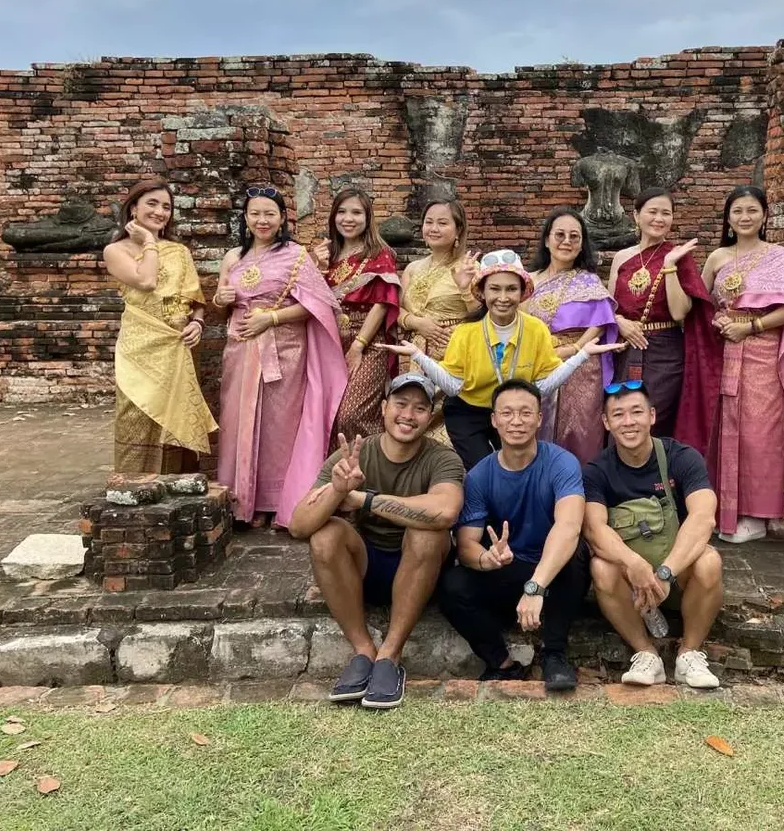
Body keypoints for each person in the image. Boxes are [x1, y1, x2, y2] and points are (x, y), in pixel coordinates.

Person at [288, 374, 465, 709]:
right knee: (325, 536)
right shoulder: (355, 454)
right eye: (400, 404)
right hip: (366, 566)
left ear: (430, 417)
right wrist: (339, 490)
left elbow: (445, 512)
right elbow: (299, 525)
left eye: (420, 408)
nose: (408, 415)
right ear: (384, 408)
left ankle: (390, 654)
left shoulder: (442, 458)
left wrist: (361, 499)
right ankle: (364, 649)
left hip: (419, 570)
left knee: (427, 535)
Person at [379, 250, 623, 469]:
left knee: (519, 466)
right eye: (495, 289)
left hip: (512, 411)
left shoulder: (536, 330)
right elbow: (453, 386)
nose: (503, 297)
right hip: (469, 411)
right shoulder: (466, 333)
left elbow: (541, 387)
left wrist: (582, 355)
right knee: (483, 468)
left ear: (521, 293)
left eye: (511, 289)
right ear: (483, 293)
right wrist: (418, 356)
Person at [437, 379, 589, 692]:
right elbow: (465, 544)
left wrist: (536, 586)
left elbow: (569, 525)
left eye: (525, 413)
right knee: (452, 585)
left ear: (539, 418)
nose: (516, 421)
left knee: (575, 556)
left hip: (552, 570)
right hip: (508, 567)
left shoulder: (561, 463)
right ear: (494, 419)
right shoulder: (480, 475)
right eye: (507, 413)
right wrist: (485, 558)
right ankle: (501, 663)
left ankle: (554, 654)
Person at [214, 187, 349, 529]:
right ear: (245, 218)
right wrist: (220, 299)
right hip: (241, 350)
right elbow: (221, 304)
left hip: (284, 351)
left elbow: (318, 305)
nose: (262, 220)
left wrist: (270, 318)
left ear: (282, 218)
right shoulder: (233, 258)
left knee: (279, 426)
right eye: (255, 213)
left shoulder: (295, 256)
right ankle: (241, 500)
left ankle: (276, 503)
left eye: (269, 214)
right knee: (238, 423)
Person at [582, 381, 723, 688]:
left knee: (709, 561)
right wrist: (634, 564)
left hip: (678, 575)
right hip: (631, 588)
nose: (628, 422)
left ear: (652, 416)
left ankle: (690, 654)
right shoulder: (596, 470)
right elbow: (594, 529)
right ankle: (646, 654)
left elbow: (703, 517)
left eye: (636, 412)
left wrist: (665, 571)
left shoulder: (682, 457)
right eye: (618, 415)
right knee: (601, 567)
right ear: (606, 422)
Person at [700, 186, 784, 544]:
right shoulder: (717, 257)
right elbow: (701, 307)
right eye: (737, 211)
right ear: (728, 218)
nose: (744, 217)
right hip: (724, 350)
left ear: (764, 215)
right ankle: (724, 510)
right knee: (723, 428)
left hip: (761, 351)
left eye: (751, 210)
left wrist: (751, 326)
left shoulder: (776, 256)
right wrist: (718, 321)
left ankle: (757, 513)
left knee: (759, 431)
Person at [102, 179, 216, 472]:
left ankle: (178, 487)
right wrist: (150, 243)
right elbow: (146, 281)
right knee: (136, 412)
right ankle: (133, 482)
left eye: (166, 206)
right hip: (140, 345)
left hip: (179, 342)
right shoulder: (116, 251)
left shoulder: (179, 251)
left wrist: (198, 323)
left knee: (177, 411)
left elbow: (196, 299)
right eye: (151, 203)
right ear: (134, 208)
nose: (160, 212)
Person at [608, 187, 720, 451]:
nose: (659, 219)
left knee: (654, 420)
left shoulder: (678, 256)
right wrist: (619, 322)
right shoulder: (621, 258)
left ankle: (658, 483)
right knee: (623, 418)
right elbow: (609, 306)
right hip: (625, 349)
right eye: (652, 212)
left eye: (666, 213)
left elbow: (680, 312)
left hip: (665, 352)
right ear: (636, 216)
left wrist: (670, 265)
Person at [523, 207, 618, 464]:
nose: (566, 241)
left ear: (581, 244)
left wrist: (574, 348)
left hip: (581, 367)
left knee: (579, 431)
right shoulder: (527, 282)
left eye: (574, 236)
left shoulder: (588, 281)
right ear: (546, 239)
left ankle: (581, 494)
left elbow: (601, 321)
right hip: (536, 362)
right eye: (560, 234)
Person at [315, 187, 401, 440]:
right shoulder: (327, 254)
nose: (348, 219)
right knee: (327, 415)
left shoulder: (378, 254)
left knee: (352, 414)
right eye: (341, 212)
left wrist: (359, 345)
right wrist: (318, 267)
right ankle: (336, 475)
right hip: (329, 340)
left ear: (367, 218)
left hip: (369, 339)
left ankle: (370, 471)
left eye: (356, 212)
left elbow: (383, 302)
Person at [397, 198, 480, 443]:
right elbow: (398, 312)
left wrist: (464, 288)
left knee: (445, 429)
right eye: (429, 222)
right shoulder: (413, 268)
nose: (433, 228)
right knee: (410, 418)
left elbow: (481, 312)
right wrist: (416, 322)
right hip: (414, 354)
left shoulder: (470, 266)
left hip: (453, 355)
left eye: (442, 223)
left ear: (459, 230)